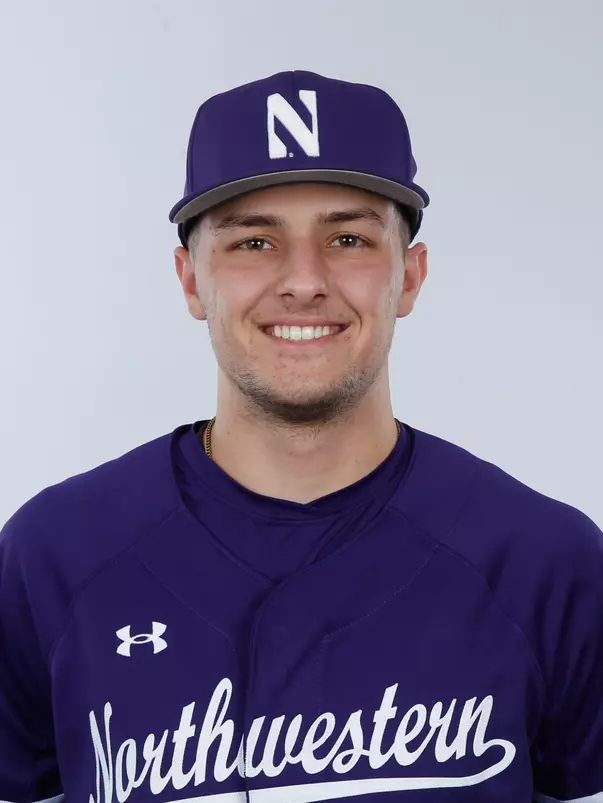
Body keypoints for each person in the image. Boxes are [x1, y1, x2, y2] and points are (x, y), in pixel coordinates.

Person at [0, 70, 601, 803]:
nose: (304, 280)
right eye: (253, 241)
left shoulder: (546, 564)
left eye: (347, 237)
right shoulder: (51, 559)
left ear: (408, 277)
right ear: (190, 280)